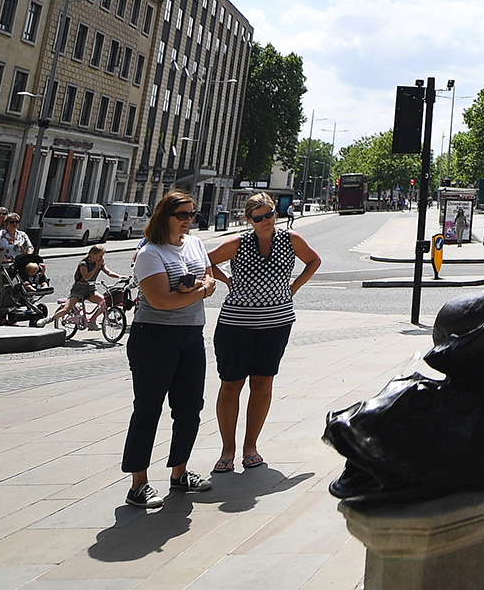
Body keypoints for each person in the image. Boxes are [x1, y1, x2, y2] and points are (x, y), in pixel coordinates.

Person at [208, 191, 321, 473]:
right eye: (258, 218)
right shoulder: (239, 242)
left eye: (269, 214)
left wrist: (293, 287)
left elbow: (314, 261)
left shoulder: (291, 239)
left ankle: (250, 447)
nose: (265, 221)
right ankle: (227, 450)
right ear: (249, 220)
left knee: (262, 384)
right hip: (236, 325)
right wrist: (227, 281)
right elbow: (204, 260)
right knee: (231, 384)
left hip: (276, 324)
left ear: (275, 213)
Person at [123, 191, 217, 508]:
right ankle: (138, 484)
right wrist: (200, 291)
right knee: (148, 409)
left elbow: (209, 278)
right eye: (182, 214)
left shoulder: (195, 244)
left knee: (190, 408)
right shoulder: (150, 253)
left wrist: (197, 288)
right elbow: (161, 301)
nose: (189, 220)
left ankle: (179, 473)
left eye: (193, 214)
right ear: (165, 216)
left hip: (191, 334)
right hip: (154, 337)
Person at [55, 245, 121, 323]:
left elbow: (108, 272)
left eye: (103, 256)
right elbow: (87, 277)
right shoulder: (84, 264)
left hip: (90, 290)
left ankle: (92, 320)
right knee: (66, 309)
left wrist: (120, 276)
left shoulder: (100, 264)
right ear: (92, 255)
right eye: (100, 256)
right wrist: (96, 267)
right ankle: (50, 319)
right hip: (79, 289)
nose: (102, 258)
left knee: (104, 302)